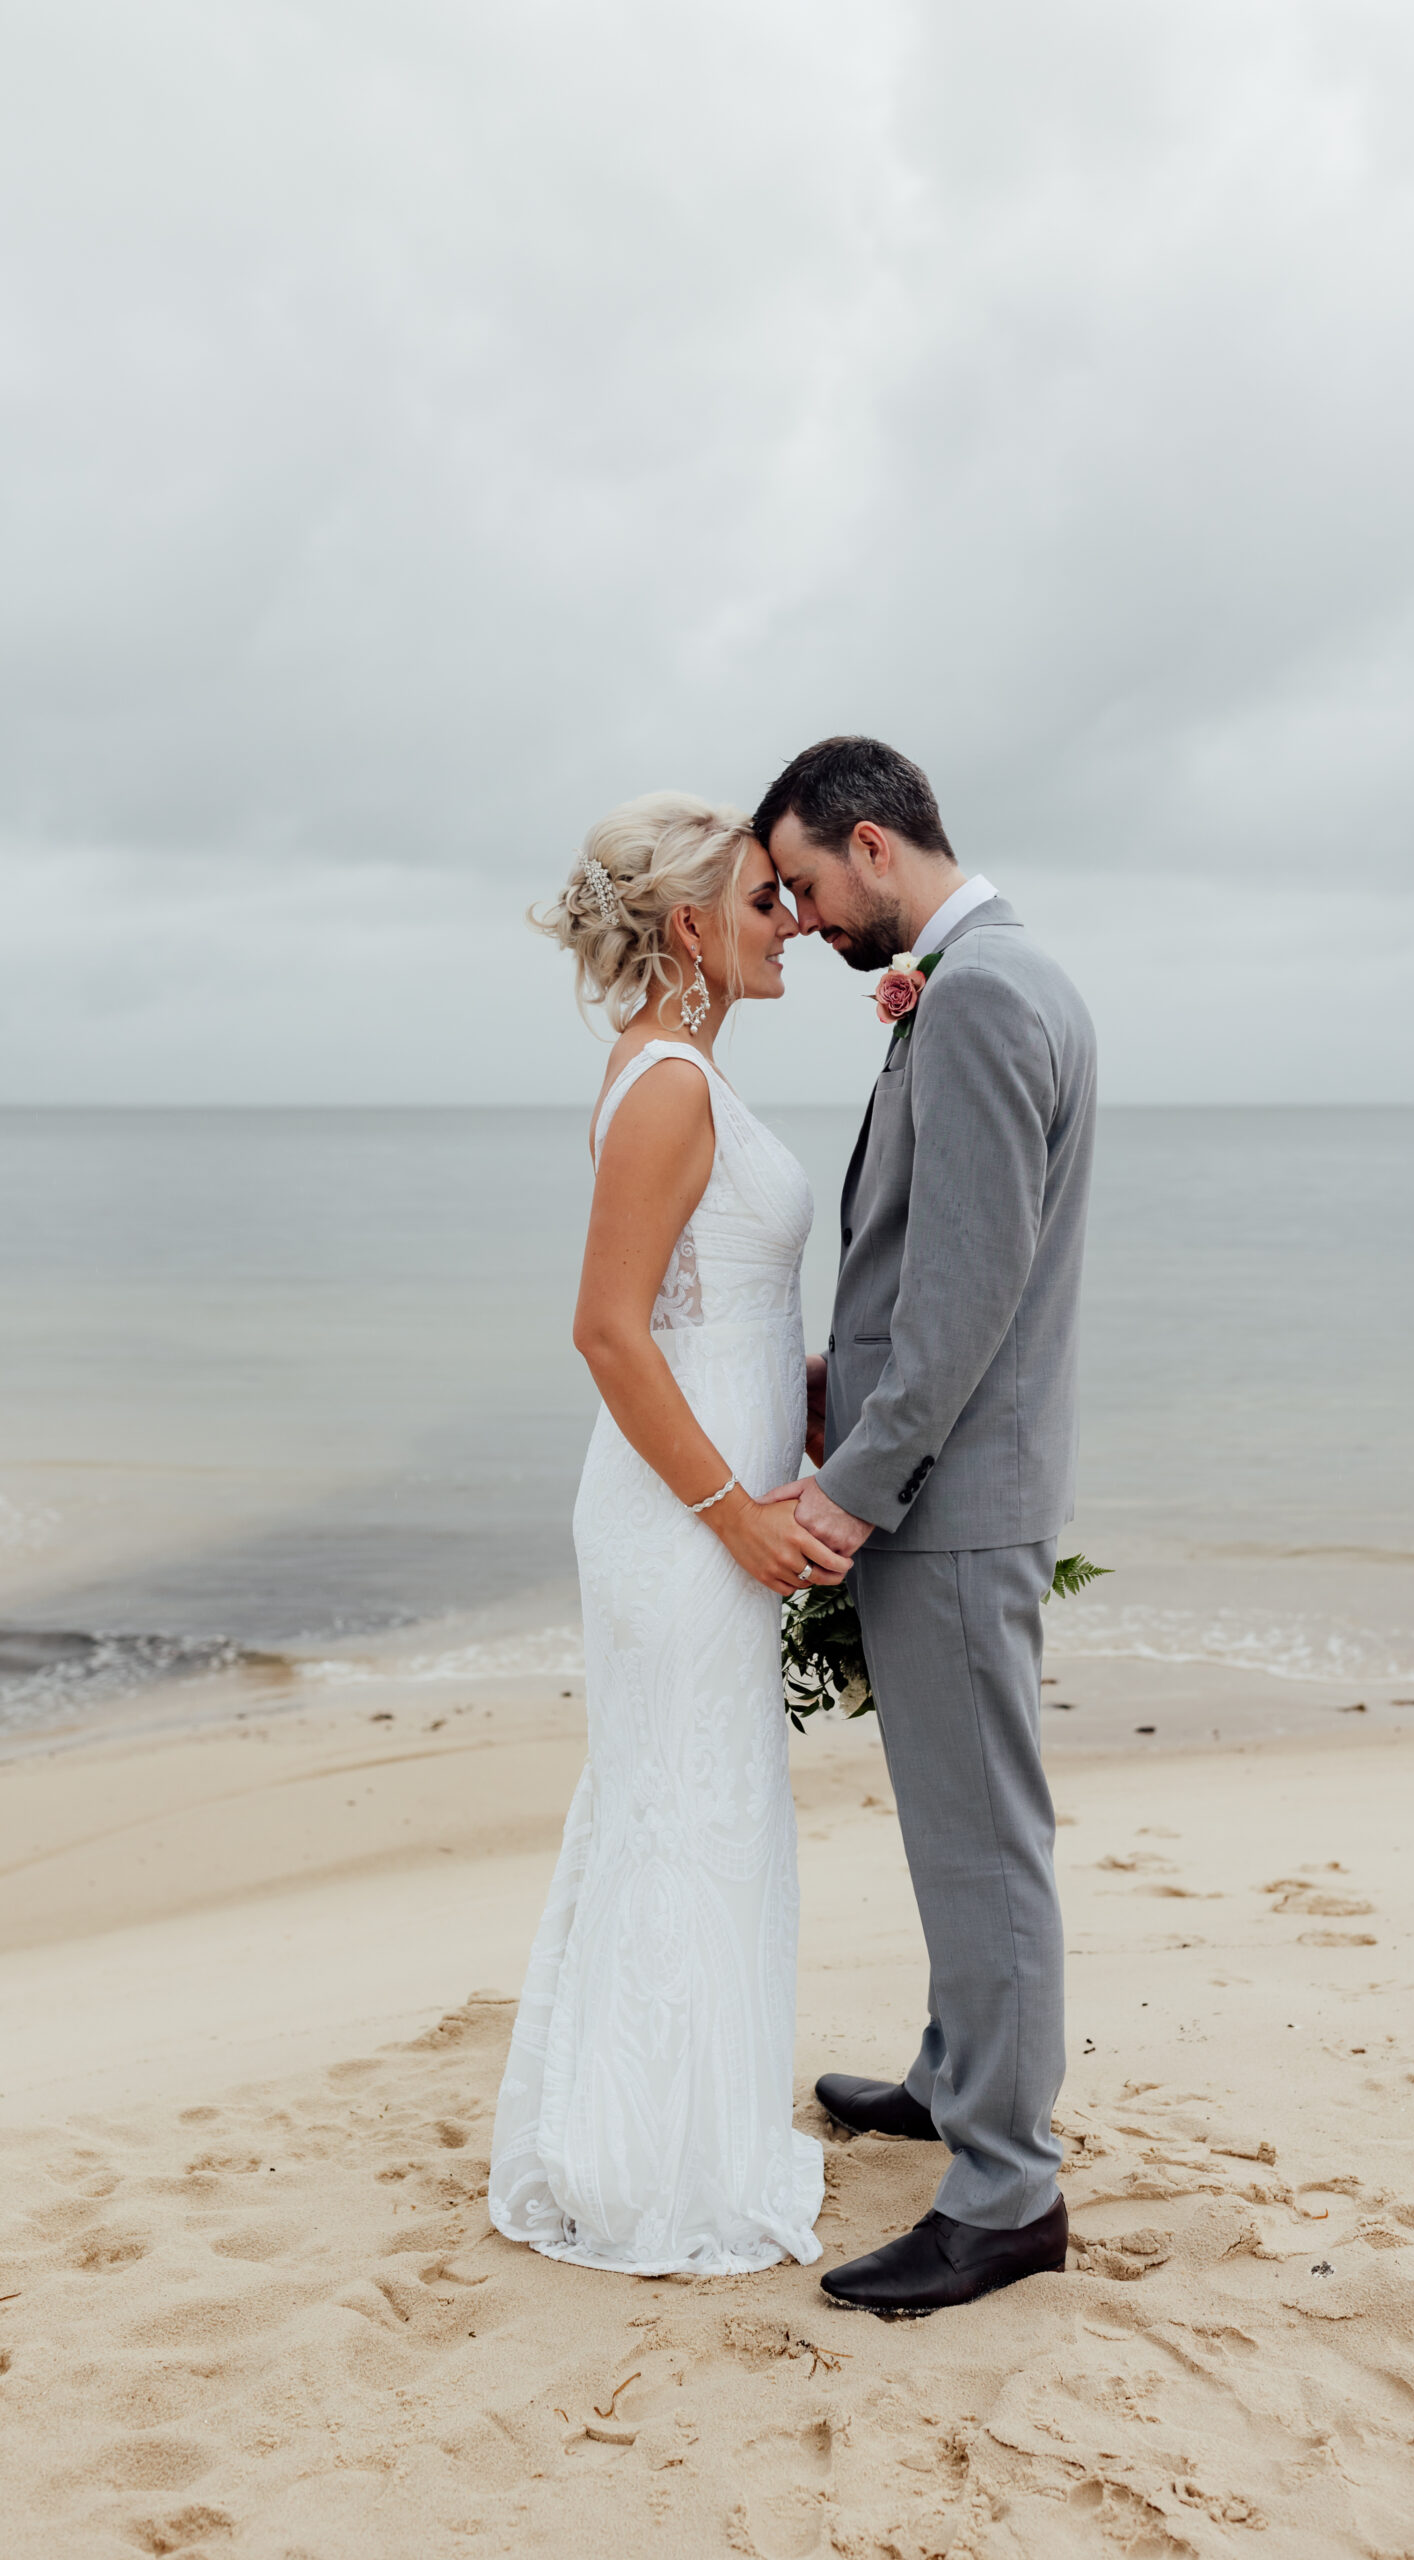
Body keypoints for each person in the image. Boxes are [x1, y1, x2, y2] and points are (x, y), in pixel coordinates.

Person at [755, 736, 1098, 2317]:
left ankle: (1007, 2194)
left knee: (982, 1841)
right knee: (958, 1826)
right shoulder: (983, 986)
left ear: (876, 847)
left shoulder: (979, 997)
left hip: (950, 1504)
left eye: (812, 888)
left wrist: (847, 1490)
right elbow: (940, 1269)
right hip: (956, 1485)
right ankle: (959, 2077)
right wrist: (841, 1369)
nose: (810, 924)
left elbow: (966, 1297)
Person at [487, 791, 846, 2276]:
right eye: (768, 902)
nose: (795, 925)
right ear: (691, 927)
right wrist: (739, 1518)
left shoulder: (683, 1073)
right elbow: (611, 1334)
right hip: (681, 1521)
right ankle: (650, 2169)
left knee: (694, 1804)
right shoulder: (671, 1088)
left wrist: (831, 1401)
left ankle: (663, 2132)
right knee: (682, 1809)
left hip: (714, 1505)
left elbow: (723, 1313)